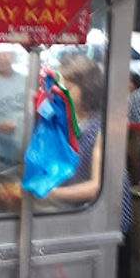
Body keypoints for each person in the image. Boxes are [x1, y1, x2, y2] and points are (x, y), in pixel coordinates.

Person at [49, 55, 103, 203]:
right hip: (74, 204)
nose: (59, 93)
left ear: (88, 88)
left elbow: (96, 187)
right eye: (57, 88)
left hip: (101, 211)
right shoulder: (67, 119)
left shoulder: (102, 128)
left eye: (68, 88)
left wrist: (49, 193)